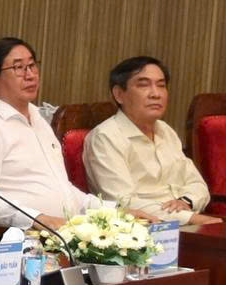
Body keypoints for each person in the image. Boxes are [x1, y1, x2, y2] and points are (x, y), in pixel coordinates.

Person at [0, 37, 94, 227]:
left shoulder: (39, 118)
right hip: (16, 237)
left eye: (32, 65)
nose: (30, 75)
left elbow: (63, 190)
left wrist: (115, 211)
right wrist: (37, 219)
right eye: (18, 68)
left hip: (63, 231)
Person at [84, 56, 215, 222]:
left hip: (185, 220)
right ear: (119, 94)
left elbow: (197, 183)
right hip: (141, 228)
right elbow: (124, 202)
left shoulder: (166, 131)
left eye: (161, 85)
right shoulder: (105, 137)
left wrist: (186, 201)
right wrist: (188, 218)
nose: (155, 94)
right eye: (143, 85)